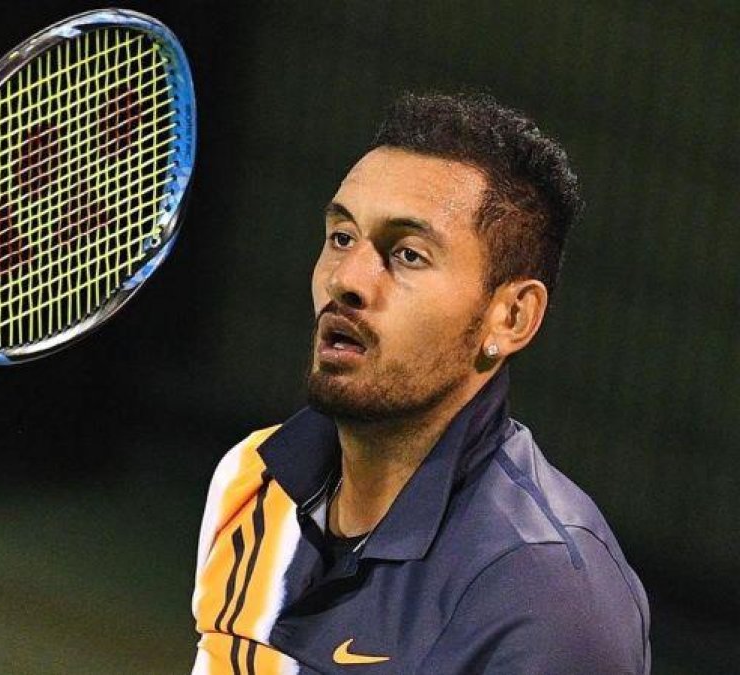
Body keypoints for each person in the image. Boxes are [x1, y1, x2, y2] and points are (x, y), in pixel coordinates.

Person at [191, 92, 650, 674]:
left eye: (407, 254)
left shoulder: (543, 594)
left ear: (510, 318)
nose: (348, 280)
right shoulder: (250, 481)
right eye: (342, 237)